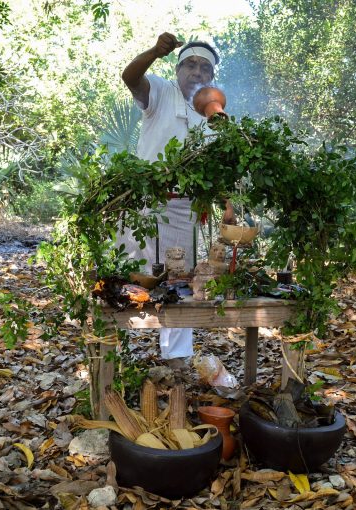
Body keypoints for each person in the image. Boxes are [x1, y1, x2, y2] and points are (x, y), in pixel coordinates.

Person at [119, 32, 233, 370]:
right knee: (130, 278)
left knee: (179, 281)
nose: (197, 73)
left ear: (211, 77)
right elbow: (130, 77)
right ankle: (119, 350)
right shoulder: (160, 91)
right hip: (145, 203)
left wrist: (226, 204)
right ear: (179, 69)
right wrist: (155, 51)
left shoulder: (214, 112)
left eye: (205, 69)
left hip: (185, 208)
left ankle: (177, 359)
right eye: (191, 65)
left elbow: (216, 166)